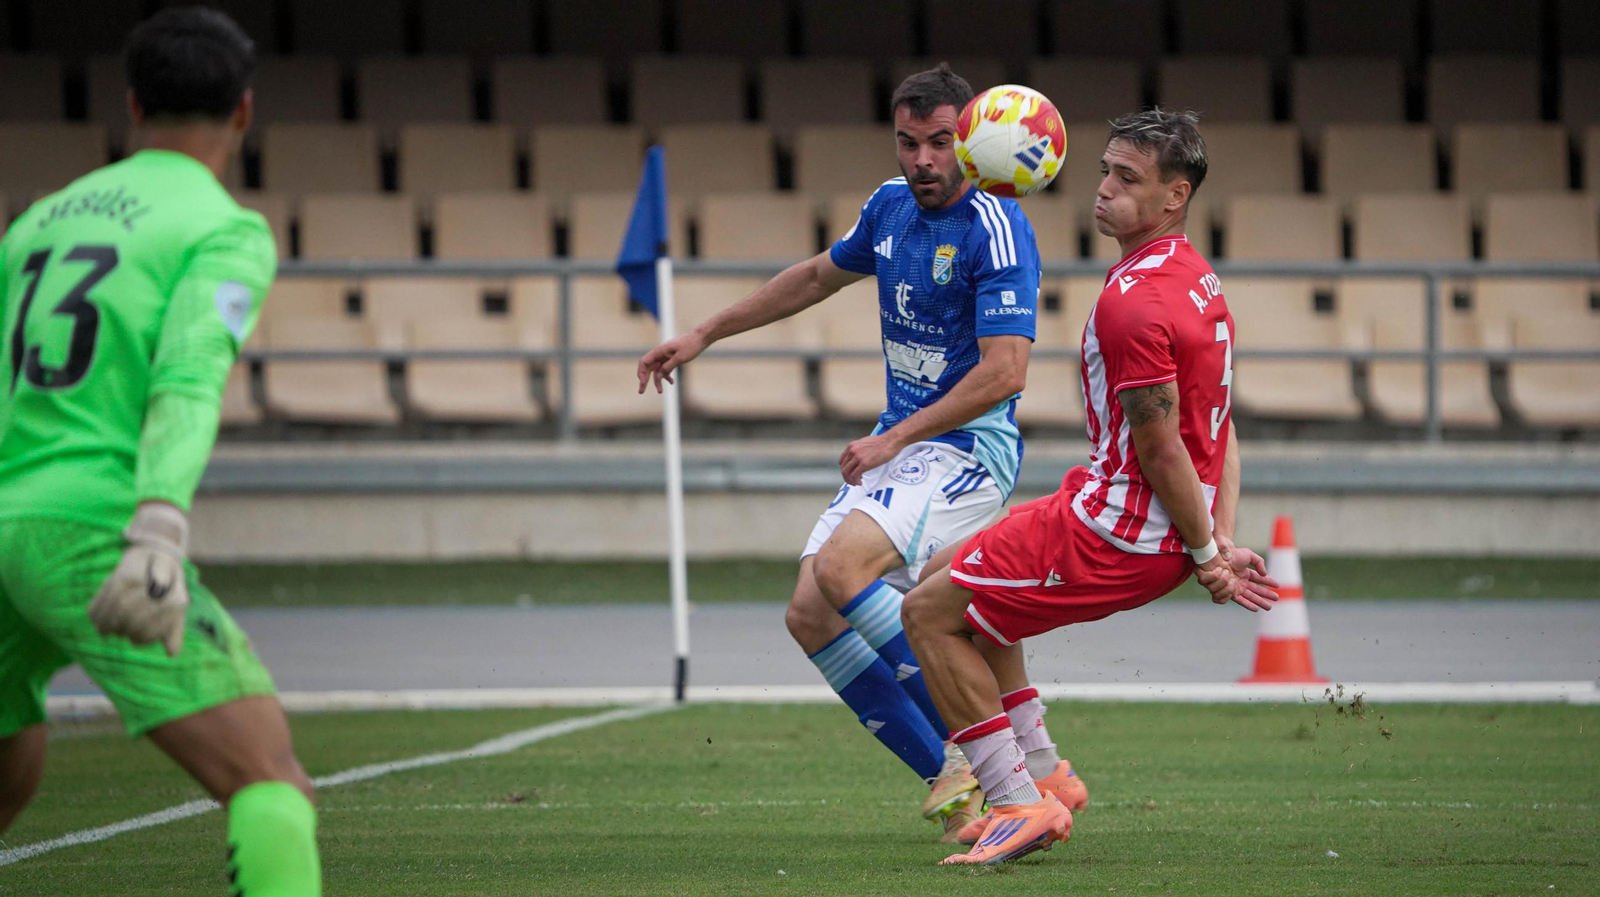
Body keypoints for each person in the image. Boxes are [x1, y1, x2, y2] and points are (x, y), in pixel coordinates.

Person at [638, 64, 1041, 837]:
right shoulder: (889, 209)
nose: (922, 160)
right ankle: (953, 778)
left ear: (972, 141)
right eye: (908, 141)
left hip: (966, 449)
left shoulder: (995, 222)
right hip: (904, 442)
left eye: (940, 142)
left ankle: (997, 763)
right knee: (809, 613)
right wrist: (704, 333)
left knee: (841, 568)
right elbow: (819, 276)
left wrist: (892, 436)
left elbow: (1006, 372)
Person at [901, 108, 1282, 865]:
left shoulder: (1133, 302)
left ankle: (1015, 802)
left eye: (1126, 178)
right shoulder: (1195, 278)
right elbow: (1220, 425)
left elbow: (1163, 441)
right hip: (1126, 513)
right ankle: (1047, 775)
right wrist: (1217, 531)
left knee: (926, 613)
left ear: (1176, 196)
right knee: (950, 579)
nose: (1102, 189)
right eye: (1105, 170)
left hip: (1115, 530)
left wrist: (1207, 552)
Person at [0, 8, 320, 894]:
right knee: (269, 781)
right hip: (92, 528)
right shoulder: (223, 229)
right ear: (245, 113)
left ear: (133, 105)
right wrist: (159, 526)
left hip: (2, 524)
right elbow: (188, 376)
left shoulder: (35, 224)